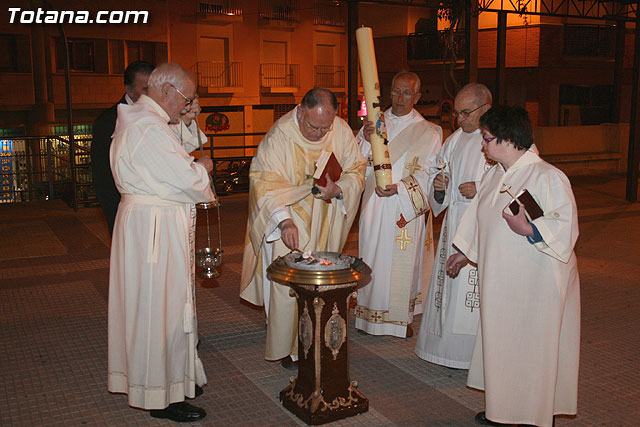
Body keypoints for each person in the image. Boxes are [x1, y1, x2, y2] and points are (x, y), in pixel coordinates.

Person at [447, 106, 580, 426]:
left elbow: (566, 227)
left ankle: (528, 414)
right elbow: (482, 216)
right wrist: (466, 251)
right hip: (501, 280)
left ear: (508, 139)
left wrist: (531, 230)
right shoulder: (495, 173)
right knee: (503, 343)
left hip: (536, 283)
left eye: (487, 138)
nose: (483, 145)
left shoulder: (547, 176)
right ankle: (503, 408)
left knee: (530, 348)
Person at [107, 63, 215, 423]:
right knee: (159, 310)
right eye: (185, 98)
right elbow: (186, 178)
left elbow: (173, 156)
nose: (185, 105)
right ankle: (160, 397)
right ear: (166, 90)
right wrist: (204, 169)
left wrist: (189, 135)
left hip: (149, 226)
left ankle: (174, 380)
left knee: (163, 308)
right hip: (154, 231)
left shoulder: (143, 120)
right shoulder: (147, 128)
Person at [240, 88, 365, 368]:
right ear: (300, 111)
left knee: (322, 280)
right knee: (288, 288)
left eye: (325, 127)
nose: (320, 133)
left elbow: (357, 169)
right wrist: (283, 221)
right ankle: (290, 348)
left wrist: (339, 189)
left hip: (326, 216)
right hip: (289, 218)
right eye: (313, 126)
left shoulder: (341, 130)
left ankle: (319, 338)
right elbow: (264, 182)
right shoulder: (280, 135)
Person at [354, 71, 442, 338]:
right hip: (375, 204)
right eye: (395, 91)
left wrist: (402, 188)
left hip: (404, 205)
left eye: (407, 93)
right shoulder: (374, 124)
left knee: (403, 263)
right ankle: (368, 319)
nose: (400, 98)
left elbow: (431, 172)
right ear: (387, 92)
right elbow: (355, 160)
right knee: (372, 256)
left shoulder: (430, 132)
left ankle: (399, 321)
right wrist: (366, 140)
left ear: (417, 96)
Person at [414, 83, 492, 367]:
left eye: (466, 112)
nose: (460, 119)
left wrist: (481, 188)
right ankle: (444, 350)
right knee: (448, 292)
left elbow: (516, 181)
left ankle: (474, 357)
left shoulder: (500, 137)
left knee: (471, 296)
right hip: (454, 223)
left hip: (483, 224)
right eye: (457, 113)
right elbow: (440, 181)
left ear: (485, 108)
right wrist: (439, 187)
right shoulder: (454, 140)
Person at [91, 60, 155, 236]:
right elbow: (103, 175)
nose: (152, 94)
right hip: (124, 207)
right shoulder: (108, 122)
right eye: (145, 89)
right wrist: (115, 213)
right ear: (129, 90)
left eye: (153, 87)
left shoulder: (158, 115)